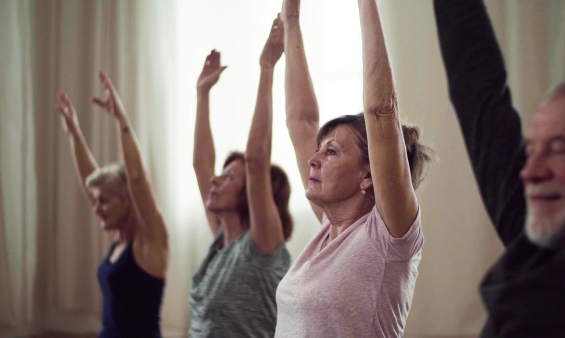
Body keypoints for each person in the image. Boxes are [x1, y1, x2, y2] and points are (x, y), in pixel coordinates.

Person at [433, 0, 565, 336]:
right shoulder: (541, 235)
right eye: (531, 149)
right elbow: (477, 92)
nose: (530, 171)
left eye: (560, 150)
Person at [275, 0, 431, 336]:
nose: (313, 160)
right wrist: (291, 19)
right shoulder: (326, 231)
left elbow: (381, 109)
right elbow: (300, 121)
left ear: (369, 175)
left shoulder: (388, 237)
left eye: (330, 152)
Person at [189, 16, 293, 338]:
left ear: (253, 194)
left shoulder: (262, 244)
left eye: (229, 177)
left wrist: (267, 68)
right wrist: (202, 94)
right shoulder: (222, 239)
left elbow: (257, 159)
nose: (215, 180)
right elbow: (200, 164)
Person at [55, 72, 169, 338]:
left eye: (104, 202)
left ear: (129, 201)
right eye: (97, 202)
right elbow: (90, 183)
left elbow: (138, 180)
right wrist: (74, 131)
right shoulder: (119, 240)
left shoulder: (149, 242)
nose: (96, 208)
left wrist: (122, 121)